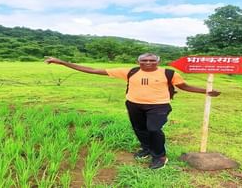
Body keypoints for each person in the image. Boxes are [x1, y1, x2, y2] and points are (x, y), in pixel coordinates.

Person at [45, 53, 220, 169]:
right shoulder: (129, 71)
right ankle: (146, 149)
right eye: (144, 60)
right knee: (140, 130)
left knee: (154, 129)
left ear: (158, 61)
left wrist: (206, 91)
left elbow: (185, 86)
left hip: (159, 106)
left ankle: (160, 156)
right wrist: (61, 62)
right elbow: (92, 70)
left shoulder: (168, 73)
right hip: (134, 104)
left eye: (152, 60)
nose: (148, 63)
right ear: (139, 62)